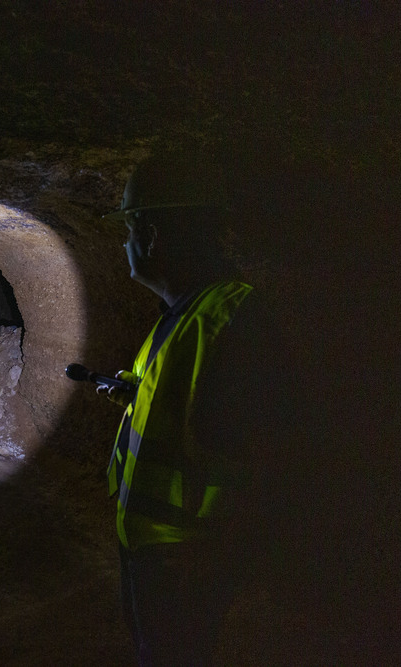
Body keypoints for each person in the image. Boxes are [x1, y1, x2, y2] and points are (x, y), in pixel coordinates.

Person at [99, 155, 269, 665]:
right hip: (153, 548)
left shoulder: (232, 321)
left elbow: (270, 455)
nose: (125, 243)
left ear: (152, 235)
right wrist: (134, 391)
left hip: (186, 560)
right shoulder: (182, 314)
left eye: (130, 227)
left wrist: (220, 560)